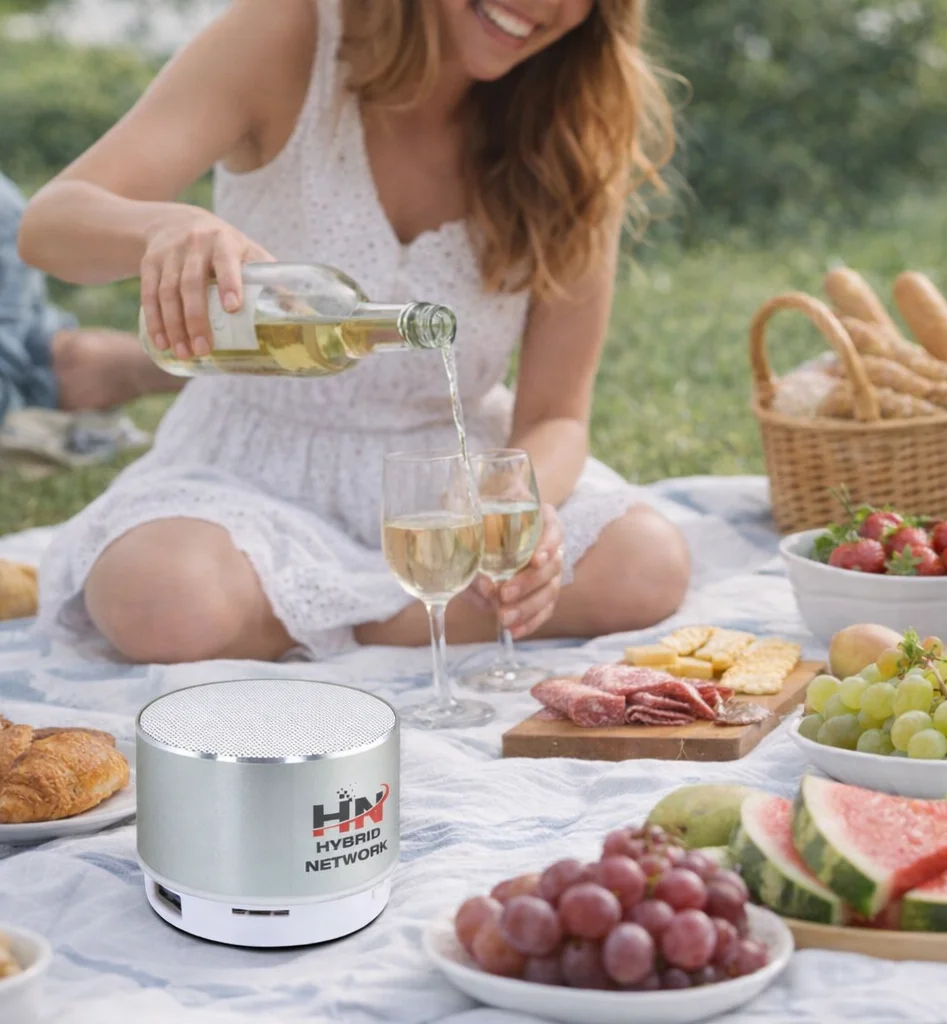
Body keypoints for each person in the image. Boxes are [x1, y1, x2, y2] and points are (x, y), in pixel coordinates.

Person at [17, 0, 691, 665]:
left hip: (450, 487)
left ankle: (314, 622)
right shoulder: (288, 34)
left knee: (646, 563)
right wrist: (159, 227)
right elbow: (49, 225)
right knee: (160, 597)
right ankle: (420, 618)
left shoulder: (576, 120)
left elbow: (557, 416)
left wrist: (518, 498)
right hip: (250, 470)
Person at [0, 171, 182, 421]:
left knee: (74, 362)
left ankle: (207, 359)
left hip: (34, 358)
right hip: (35, 360)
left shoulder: (5, 211)